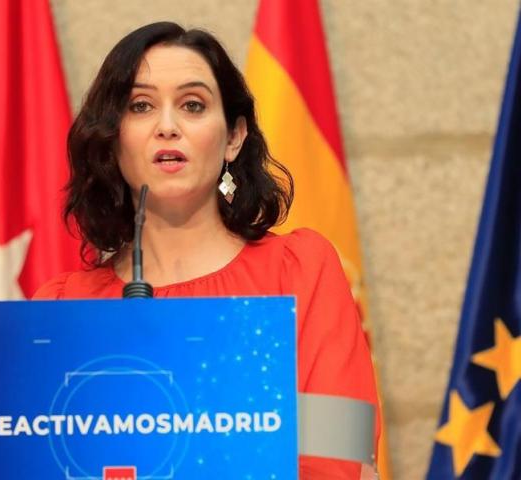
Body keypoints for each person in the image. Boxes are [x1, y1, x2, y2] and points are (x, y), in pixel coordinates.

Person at [35, 21, 380, 479]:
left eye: (193, 105)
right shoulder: (63, 306)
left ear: (234, 137)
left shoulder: (299, 272)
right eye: (140, 106)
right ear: (113, 140)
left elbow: (337, 460)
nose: (167, 127)